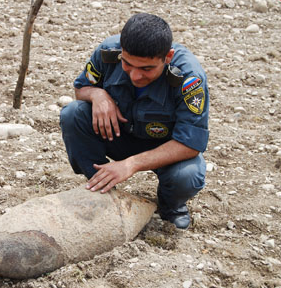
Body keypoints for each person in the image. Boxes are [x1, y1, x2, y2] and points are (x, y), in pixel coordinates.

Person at [59, 13, 209, 229]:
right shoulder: (108, 52)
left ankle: (170, 207)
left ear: (168, 57)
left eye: (147, 69)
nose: (135, 76)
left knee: (187, 175)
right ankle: (101, 188)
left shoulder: (189, 78)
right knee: (73, 114)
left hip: (164, 147)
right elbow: (81, 88)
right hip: (119, 135)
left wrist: (130, 165)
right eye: (128, 64)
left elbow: (190, 144)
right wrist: (97, 95)